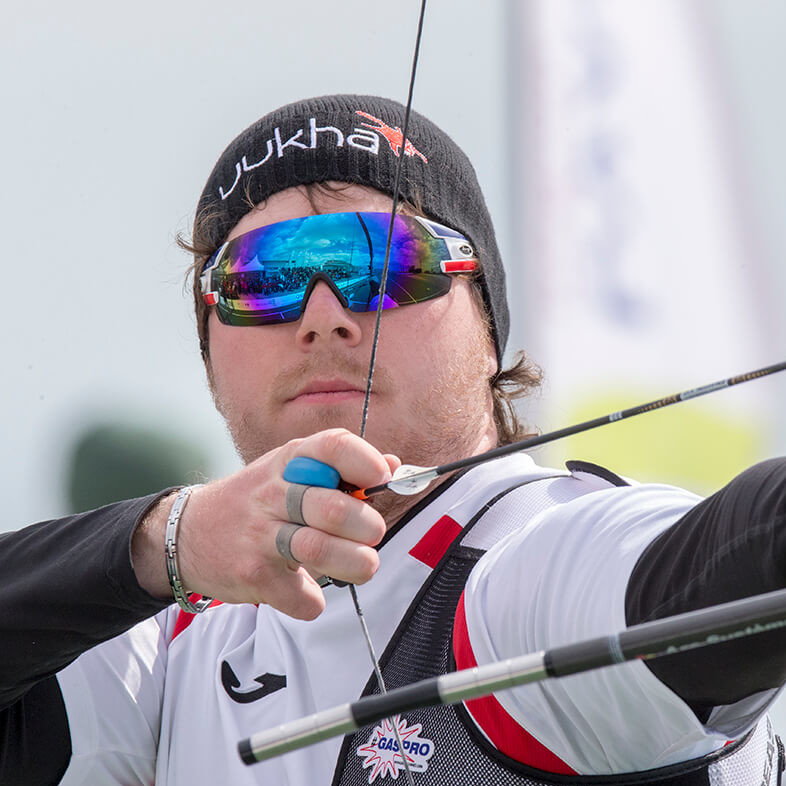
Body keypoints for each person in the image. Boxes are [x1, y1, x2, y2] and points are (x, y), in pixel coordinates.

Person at [2, 94, 786, 786]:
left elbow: (731, 554)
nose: (323, 316)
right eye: (262, 279)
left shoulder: (530, 567)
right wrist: (161, 546)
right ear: (211, 358)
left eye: (382, 261)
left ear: (487, 334)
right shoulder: (169, 650)